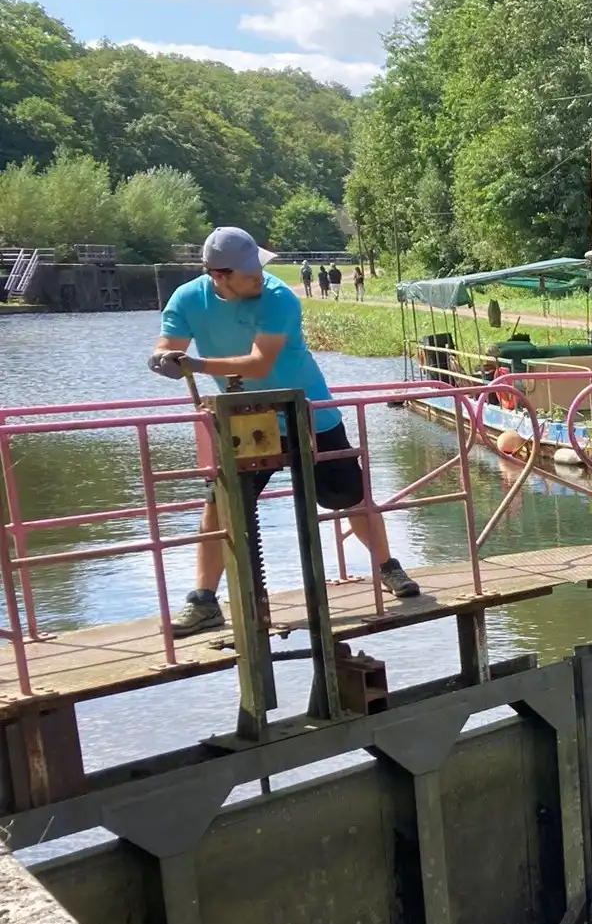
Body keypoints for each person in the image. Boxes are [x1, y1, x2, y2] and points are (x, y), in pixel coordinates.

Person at [149, 227, 420, 637]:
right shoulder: (188, 299)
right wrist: (164, 360)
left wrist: (196, 366)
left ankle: (389, 568)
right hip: (246, 419)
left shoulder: (278, 297)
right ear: (218, 275)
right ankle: (203, 601)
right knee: (220, 505)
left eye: (259, 268)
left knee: (352, 496)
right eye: (248, 273)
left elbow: (258, 364)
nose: (259, 277)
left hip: (309, 412)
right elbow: (167, 346)